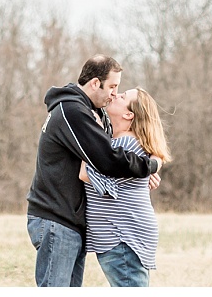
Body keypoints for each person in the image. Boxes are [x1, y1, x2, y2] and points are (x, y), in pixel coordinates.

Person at [26, 55, 162, 287]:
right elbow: (107, 159)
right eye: (112, 86)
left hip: (71, 221)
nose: (114, 93)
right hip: (56, 217)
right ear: (95, 83)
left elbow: (110, 158)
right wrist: (149, 166)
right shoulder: (73, 112)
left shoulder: (93, 113)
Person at [79, 88, 171, 287]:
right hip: (122, 236)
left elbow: (85, 174)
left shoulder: (125, 144)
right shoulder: (119, 143)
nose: (116, 95)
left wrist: (90, 134)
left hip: (122, 237)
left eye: (123, 96)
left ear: (129, 114)